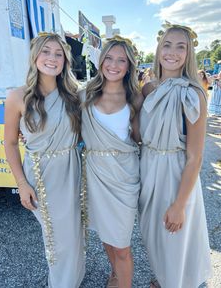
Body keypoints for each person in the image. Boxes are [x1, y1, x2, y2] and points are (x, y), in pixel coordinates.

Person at [4, 33, 85, 288]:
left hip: (71, 170)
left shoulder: (75, 95)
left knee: (73, 234)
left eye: (58, 54)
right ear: (35, 56)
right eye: (46, 52)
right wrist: (21, 184)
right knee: (55, 235)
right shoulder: (17, 96)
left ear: (65, 61)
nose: (52, 58)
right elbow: (9, 142)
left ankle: (74, 277)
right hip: (40, 174)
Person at [138, 22, 212, 287]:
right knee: (154, 235)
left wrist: (180, 205)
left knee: (175, 235)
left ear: (188, 53)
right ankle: (165, 276)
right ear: (158, 50)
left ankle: (175, 282)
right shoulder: (147, 89)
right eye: (167, 45)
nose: (172, 52)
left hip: (175, 173)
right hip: (148, 168)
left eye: (181, 47)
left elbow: (196, 157)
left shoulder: (193, 95)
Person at [81, 35, 140, 288]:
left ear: (129, 66)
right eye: (109, 58)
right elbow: (63, 125)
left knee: (122, 244)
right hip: (95, 174)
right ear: (101, 60)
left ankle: (122, 279)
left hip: (124, 176)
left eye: (121, 60)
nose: (114, 65)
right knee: (105, 235)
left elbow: (140, 138)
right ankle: (115, 274)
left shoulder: (135, 98)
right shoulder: (84, 95)